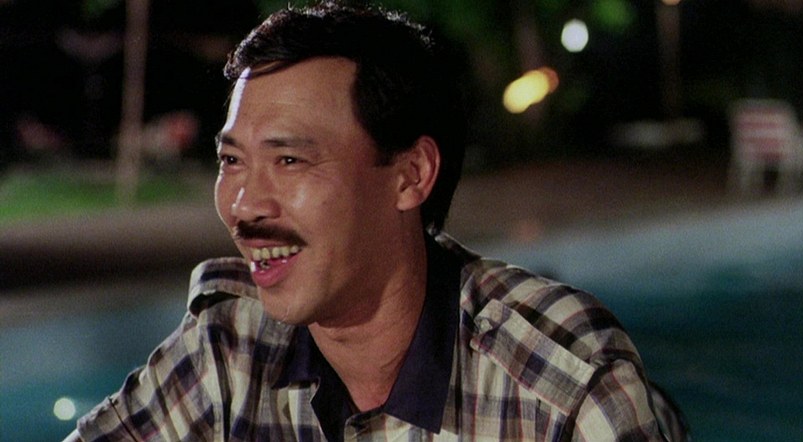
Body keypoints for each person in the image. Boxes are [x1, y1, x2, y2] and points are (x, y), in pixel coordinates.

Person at [66, 1, 665, 440]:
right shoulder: (229, 349)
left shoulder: (564, 387)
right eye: (231, 161)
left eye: (290, 160)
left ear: (410, 175)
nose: (244, 205)